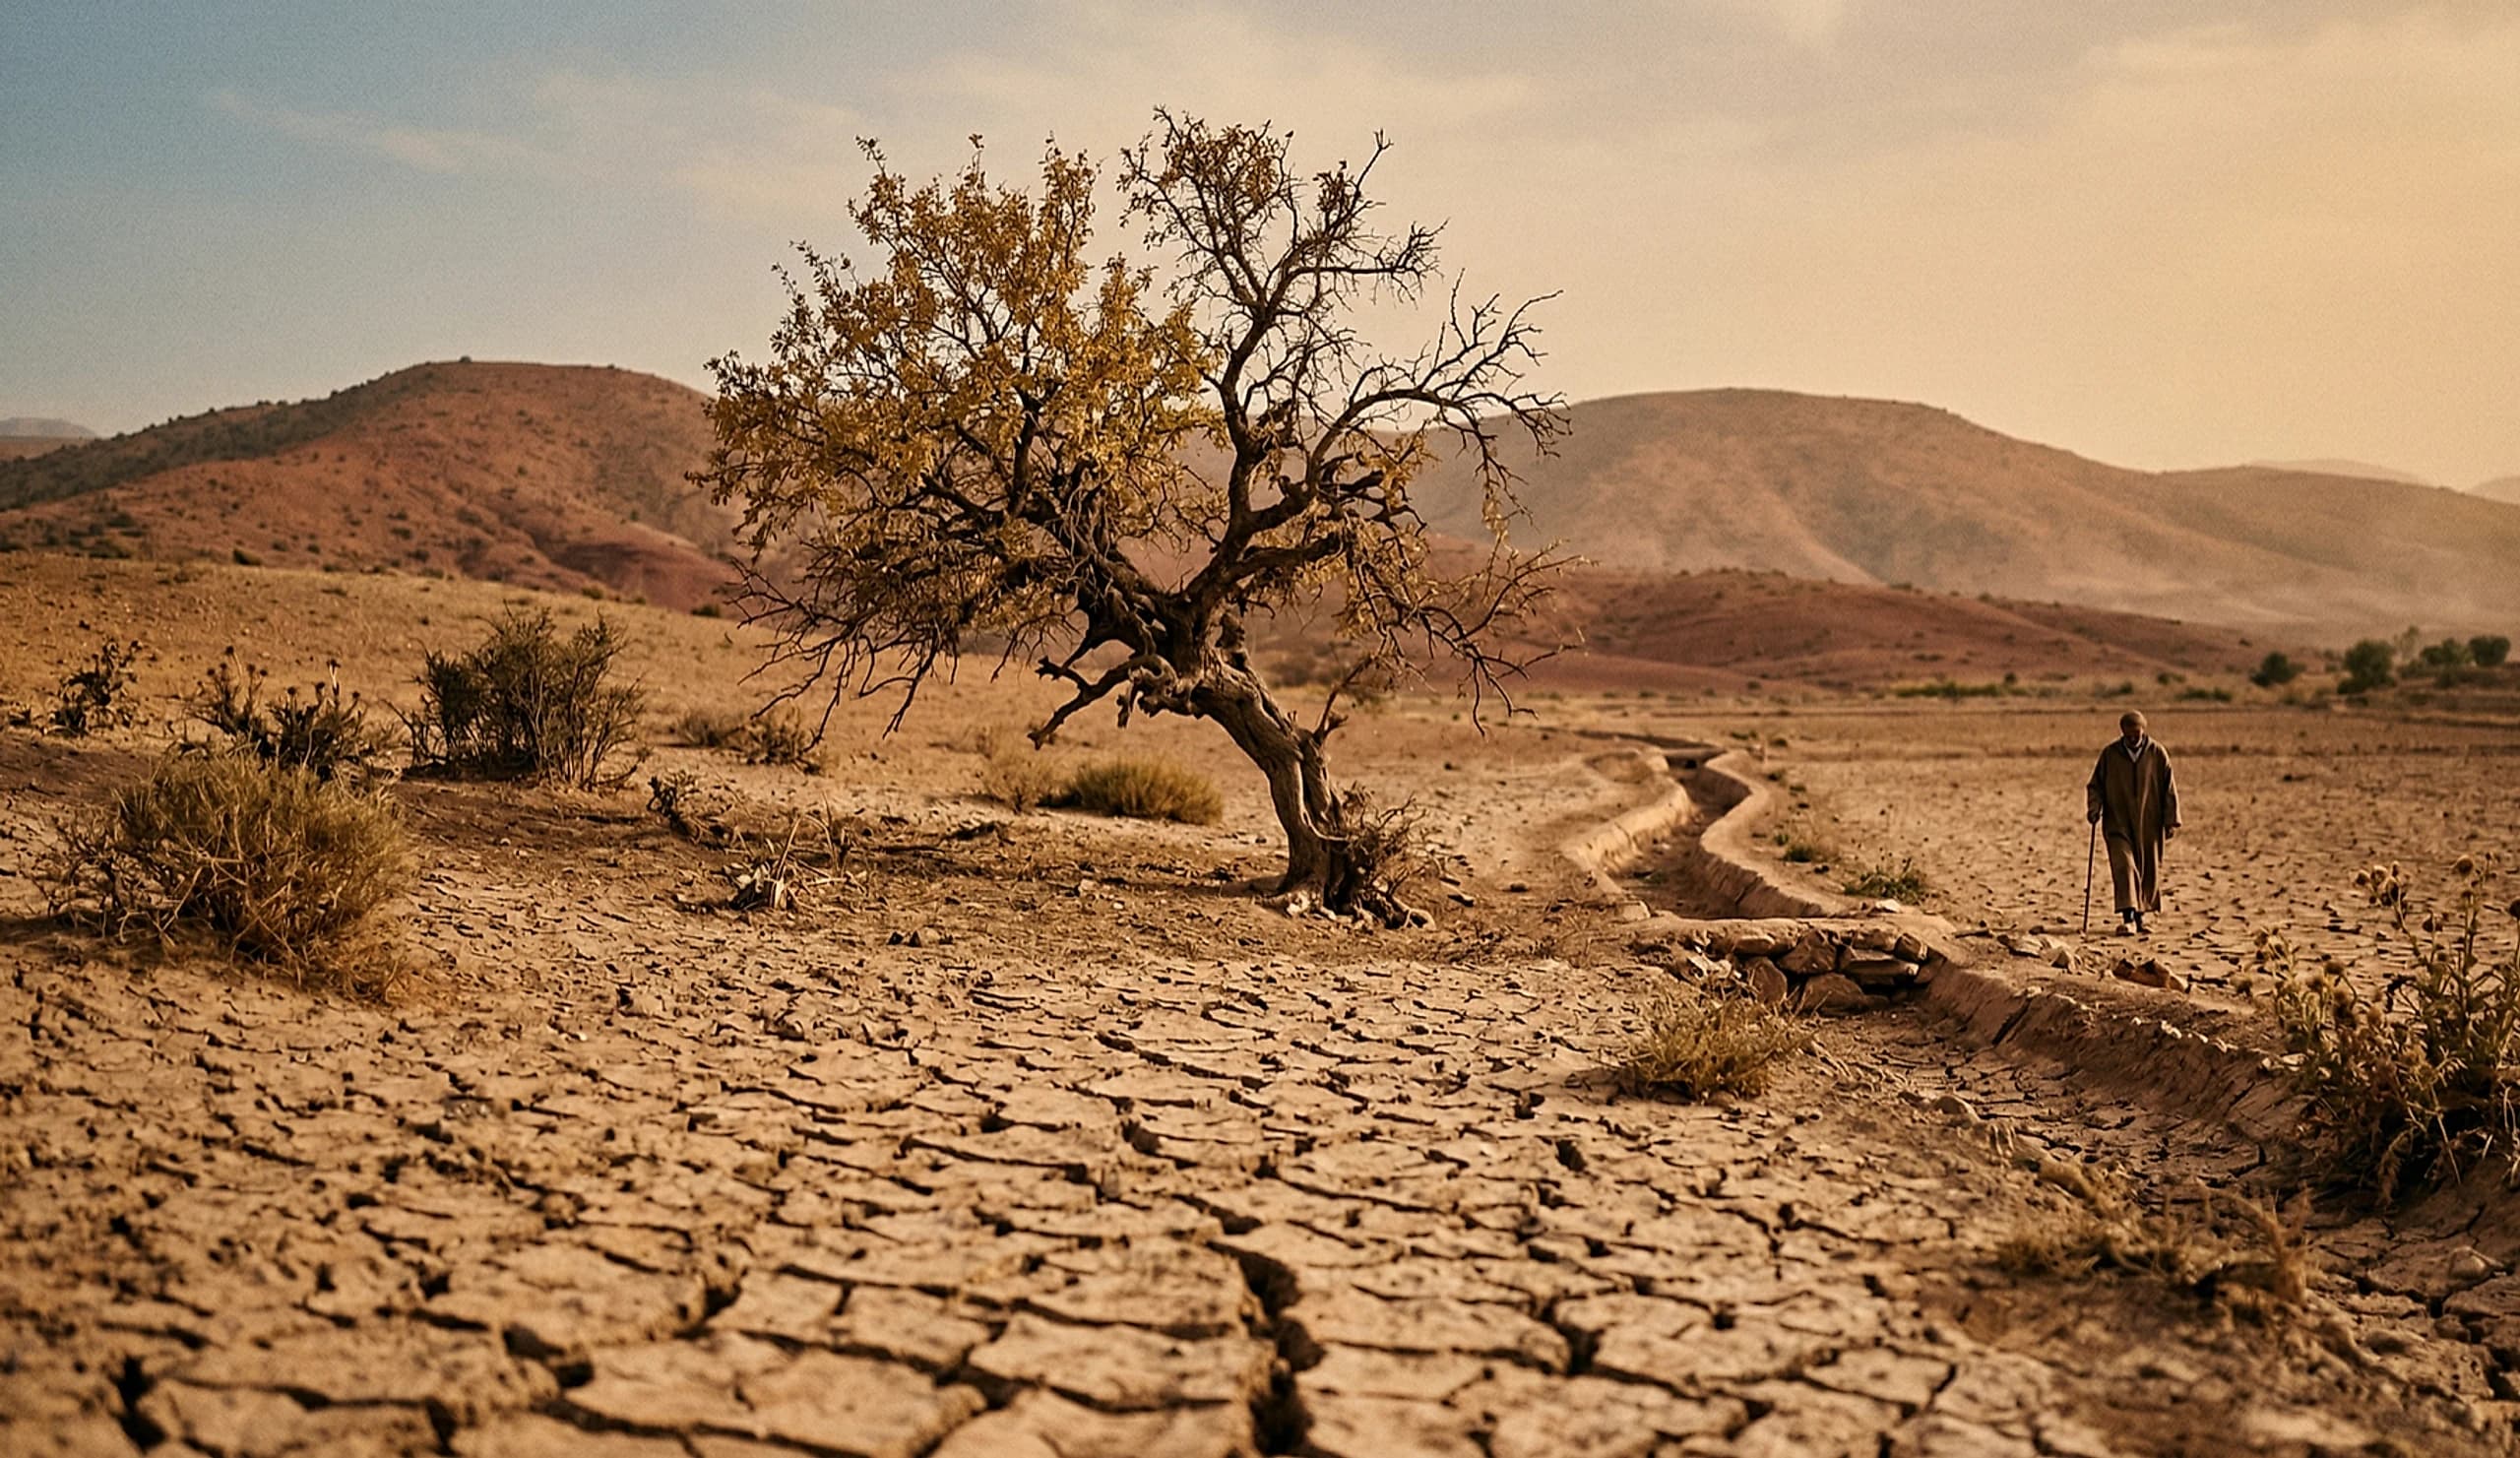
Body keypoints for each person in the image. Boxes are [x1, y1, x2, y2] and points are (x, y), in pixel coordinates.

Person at [2087, 710, 2179, 934]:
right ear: (2122, 733)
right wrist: (2094, 808)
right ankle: (2128, 917)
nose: (2132, 739)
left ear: (2143, 731)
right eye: (2128, 735)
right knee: (2124, 866)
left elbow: (2169, 788)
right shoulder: (2110, 755)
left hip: (2149, 823)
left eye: (2136, 734)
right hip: (2117, 823)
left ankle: (2142, 917)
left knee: (2147, 868)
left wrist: (2171, 820)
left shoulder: (2157, 753)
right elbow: (2095, 786)